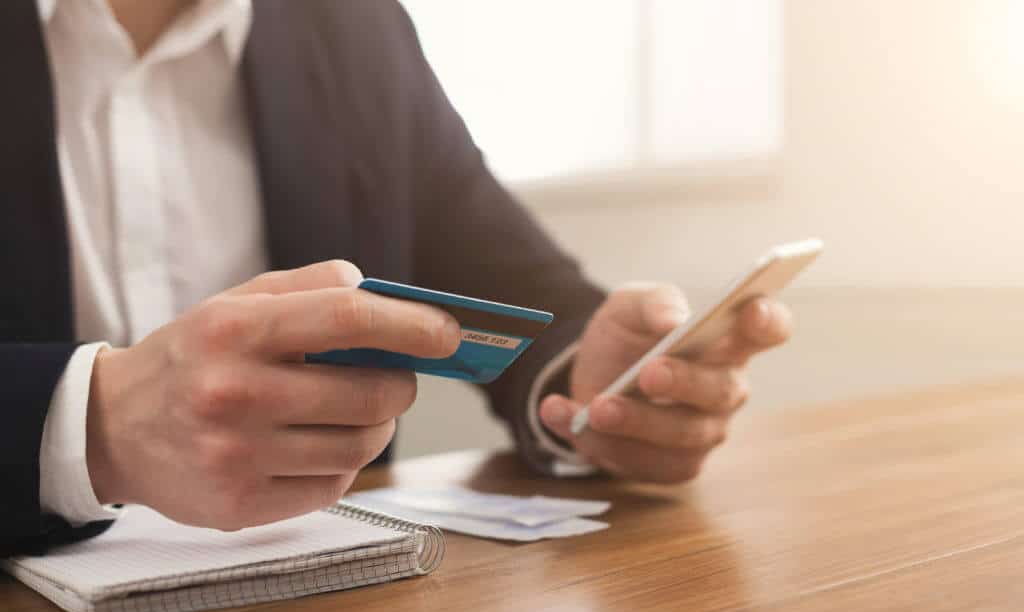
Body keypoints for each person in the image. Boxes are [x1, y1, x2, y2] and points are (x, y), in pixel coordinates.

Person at [0, 0, 792, 555]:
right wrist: (91, 424)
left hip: (337, 611)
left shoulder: (355, 26)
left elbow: (523, 288)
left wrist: (604, 391)